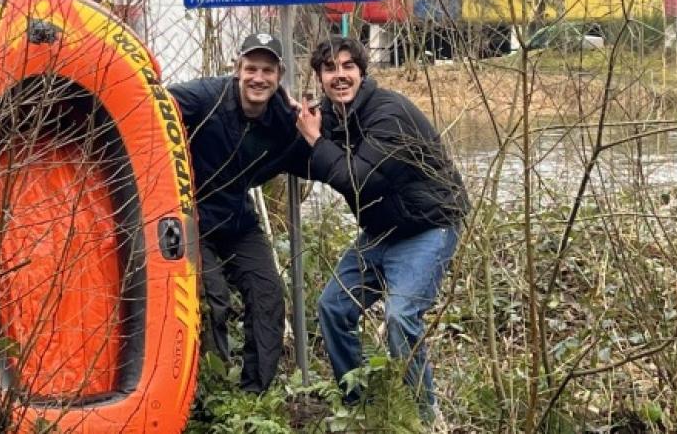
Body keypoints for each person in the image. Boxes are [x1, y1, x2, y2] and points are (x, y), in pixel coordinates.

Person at [294, 36, 469, 422]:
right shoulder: (333, 117)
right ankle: (360, 404)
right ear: (319, 77)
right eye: (330, 69)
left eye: (347, 67)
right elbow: (311, 156)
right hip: (381, 230)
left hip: (428, 227)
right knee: (333, 307)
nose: (339, 76)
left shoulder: (389, 113)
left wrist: (314, 139)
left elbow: (359, 179)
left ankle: (422, 418)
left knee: (401, 317)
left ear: (361, 72)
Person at [168, 33, 309, 394]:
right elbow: (153, 105)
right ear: (237, 70)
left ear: (279, 76)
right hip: (192, 217)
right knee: (211, 298)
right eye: (251, 69)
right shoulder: (206, 97)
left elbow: (316, 142)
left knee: (268, 295)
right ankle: (211, 392)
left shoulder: (284, 117)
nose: (258, 78)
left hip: (237, 219)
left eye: (267, 70)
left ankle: (253, 393)